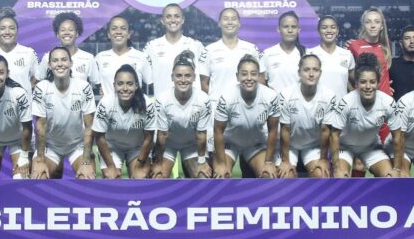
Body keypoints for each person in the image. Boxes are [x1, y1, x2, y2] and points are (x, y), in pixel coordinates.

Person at [326, 54, 398, 178]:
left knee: (391, 178)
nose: (368, 87)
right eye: (363, 82)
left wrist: (396, 168)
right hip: (345, 146)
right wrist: (337, 168)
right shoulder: (346, 102)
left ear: (378, 82)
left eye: (372, 82)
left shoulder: (388, 102)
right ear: (357, 83)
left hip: (371, 146)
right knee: (340, 178)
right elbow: (334, 134)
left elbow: (398, 136)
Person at [30, 47, 97, 179]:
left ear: (71, 63)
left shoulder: (83, 87)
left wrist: (85, 162)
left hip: (77, 145)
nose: (60, 64)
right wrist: (40, 160)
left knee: (87, 178)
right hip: (51, 146)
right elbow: (40, 127)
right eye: (55, 60)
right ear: (49, 65)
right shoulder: (41, 88)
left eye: (64, 60)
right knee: (39, 177)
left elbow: (89, 127)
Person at [212, 55, 281, 178]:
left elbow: (273, 131)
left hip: (255, 143)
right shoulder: (227, 97)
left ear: (259, 76)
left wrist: (269, 162)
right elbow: (218, 131)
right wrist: (222, 164)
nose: (249, 78)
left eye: (253, 74)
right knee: (221, 177)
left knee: (268, 176)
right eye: (244, 74)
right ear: (237, 76)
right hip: (230, 143)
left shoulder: (271, 96)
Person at [93, 65, 163, 179]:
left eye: (129, 84)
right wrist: (111, 166)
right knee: (111, 178)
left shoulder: (147, 104)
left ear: (136, 86)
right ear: (114, 85)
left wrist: (139, 165)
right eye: (120, 83)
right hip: (112, 147)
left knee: (140, 178)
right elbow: (99, 137)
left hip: (137, 147)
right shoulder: (105, 103)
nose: (125, 88)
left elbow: (149, 138)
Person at [277, 54, 336, 178]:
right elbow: (285, 129)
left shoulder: (329, 96)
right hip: (290, 145)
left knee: (322, 175)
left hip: (313, 145)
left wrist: (323, 159)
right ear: (299, 72)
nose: (311, 74)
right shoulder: (286, 95)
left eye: (315, 70)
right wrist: (286, 161)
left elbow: (325, 131)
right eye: (306, 70)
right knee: (285, 176)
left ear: (320, 72)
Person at [154, 51, 212, 179]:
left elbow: (201, 135)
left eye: (187, 76)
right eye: (179, 76)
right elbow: (162, 135)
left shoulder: (203, 100)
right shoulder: (162, 99)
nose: (183, 80)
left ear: (194, 77)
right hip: (168, 145)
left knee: (203, 178)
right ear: (172, 77)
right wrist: (157, 163)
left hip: (192, 145)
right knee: (157, 179)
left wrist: (202, 162)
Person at [145, 4, 206, 98]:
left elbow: (204, 78)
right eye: (168, 16)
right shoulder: (151, 47)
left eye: (177, 16)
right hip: (163, 106)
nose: (173, 20)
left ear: (183, 20)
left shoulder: (196, 46)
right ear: (162, 21)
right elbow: (148, 79)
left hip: (192, 107)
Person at [200, 8, 262, 98]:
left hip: (245, 106)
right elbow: (203, 83)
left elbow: (261, 79)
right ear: (219, 23)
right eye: (225, 19)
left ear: (239, 23)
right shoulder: (209, 50)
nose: (230, 22)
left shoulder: (252, 48)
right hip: (217, 108)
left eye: (233, 19)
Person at [93, 14, 152, 97]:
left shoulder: (142, 57)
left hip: (134, 108)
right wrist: (100, 90)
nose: (118, 32)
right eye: (114, 28)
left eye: (123, 28)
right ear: (109, 34)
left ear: (128, 34)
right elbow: (94, 83)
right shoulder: (100, 57)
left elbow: (151, 82)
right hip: (108, 109)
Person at [0, 8, 39, 90]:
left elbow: (36, 79)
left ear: (17, 31)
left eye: (11, 28)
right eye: (2, 28)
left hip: (23, 102)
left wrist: (25, 92)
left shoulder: (29, 53)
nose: (7, 32)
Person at [36, 12, 98, 84]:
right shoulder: (48, 57)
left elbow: (98, 85)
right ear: (57, 34)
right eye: (62, 30)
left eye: (71, 29)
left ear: (77, 33)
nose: (66, 32)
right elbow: (36, 81)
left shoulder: (88, 58)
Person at [346, 8, 393, 97]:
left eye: (377, 22)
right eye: (368, 22)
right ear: (364, 25)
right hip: (363, 98)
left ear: (382, 26)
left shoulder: (386, 45)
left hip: (384, 98)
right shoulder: (353, 45)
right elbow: (349, 75)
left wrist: (387, 86)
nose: (373, 25)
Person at [307, 14, 355, 94]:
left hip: (341, 105)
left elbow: (355, 83)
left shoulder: (347, 54)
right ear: (318, 31)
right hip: (317, 105)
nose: (329, 30)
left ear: (337, 30)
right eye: (324, 27)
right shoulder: (309, 53)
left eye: (333, 27)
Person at [260, 11, 306, 94]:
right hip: (274, 104)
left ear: (299, 30)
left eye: (294, 27)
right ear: (278, 29)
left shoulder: (306, 54)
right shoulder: (268, 53)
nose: (290, 30)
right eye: (285, 26)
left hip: (297, 105)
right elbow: (262, 84)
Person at [388, 26, 414, 97]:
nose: (412, 41)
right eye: (407, 38)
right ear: (401, 43)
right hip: (398, 107)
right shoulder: (391, 65)